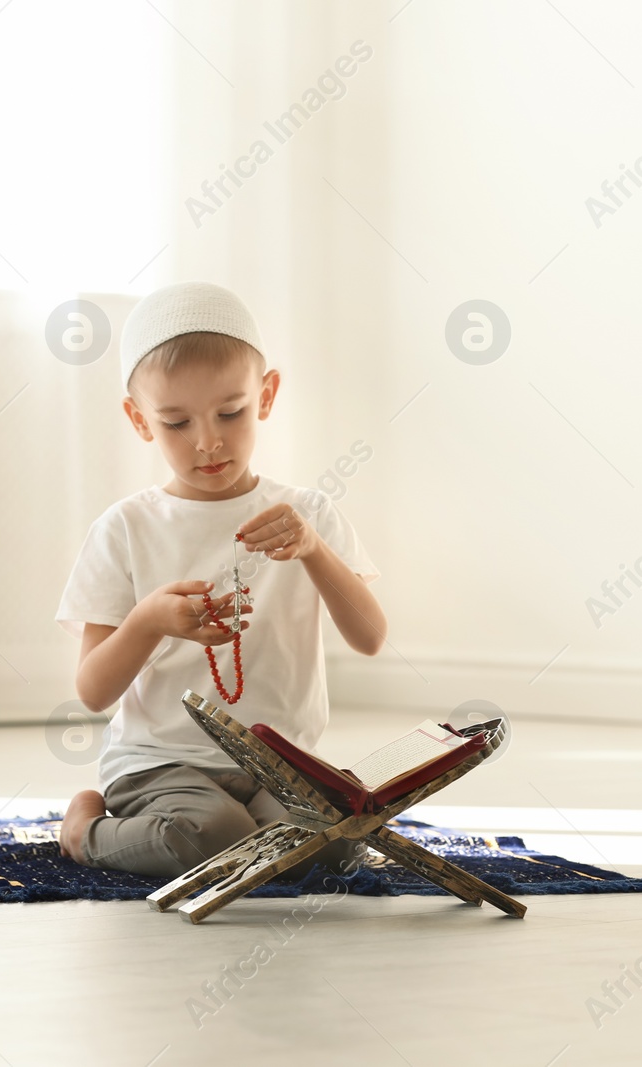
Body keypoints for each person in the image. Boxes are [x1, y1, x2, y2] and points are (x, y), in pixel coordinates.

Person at [53, 281, 385, 879]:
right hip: (159, 763)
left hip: (279, 762)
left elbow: (370, 637)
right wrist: (149, 621)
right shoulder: (125, 527)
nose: (208, 441)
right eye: (176, 422)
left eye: (230, 413)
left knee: (340, 842)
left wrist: (313, 550)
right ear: (139, 420)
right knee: (214, 835)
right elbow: (93, 692)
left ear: (266, 395)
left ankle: (256, 824)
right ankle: (87, 832)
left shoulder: (307, 513)